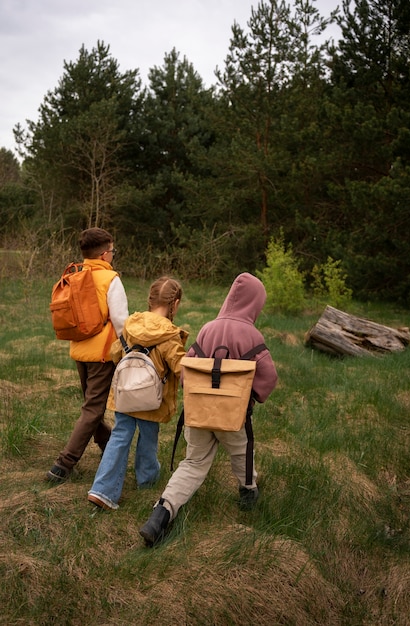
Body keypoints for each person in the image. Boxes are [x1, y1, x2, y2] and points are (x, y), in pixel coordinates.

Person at [139, 272, 278, 546]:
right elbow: (269, 376)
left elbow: (189, 367)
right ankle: (248, 491)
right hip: (232, 414)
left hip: (199, 411)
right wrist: (254, 396)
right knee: (241, 450)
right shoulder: (252, 334)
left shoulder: (208, 328)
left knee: (193, 462)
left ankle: (163, 510)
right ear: (254, 304)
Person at [87, 276, 188, 510]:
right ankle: (147, 481)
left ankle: (102, 490)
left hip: (124, 394)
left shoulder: (130, 326)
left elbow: (115, 352)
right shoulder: (169, 334)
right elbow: (179, 367)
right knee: (148, 438)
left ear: (150, 300)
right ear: (175, 305)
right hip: (152, 400)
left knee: (120, 436)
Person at [47, 227, 129, 482]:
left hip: (78, 350)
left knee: (91, 407)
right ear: (105, 254)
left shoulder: (74, 274)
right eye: (112, 251)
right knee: (93, 410)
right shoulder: (110, 279)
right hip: (102, 355)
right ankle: (63, 464)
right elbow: (120, 320)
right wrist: (130, 350)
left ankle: (106, 445)